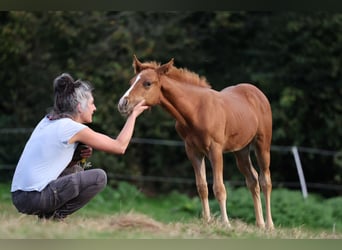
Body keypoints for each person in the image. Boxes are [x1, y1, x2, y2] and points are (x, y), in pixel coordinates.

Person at [11, 73, 148, 221]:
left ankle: (49, 219)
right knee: (98, 177)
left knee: (76, 169)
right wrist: (133, 115)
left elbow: (51, 163)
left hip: (18, 196)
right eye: (91, 103)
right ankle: (55, 218)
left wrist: (75, 157)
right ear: (79, 107)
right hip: (34, 197)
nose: (94, 108)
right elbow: (120, 146)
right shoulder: (71, 128)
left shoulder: (47, 121)